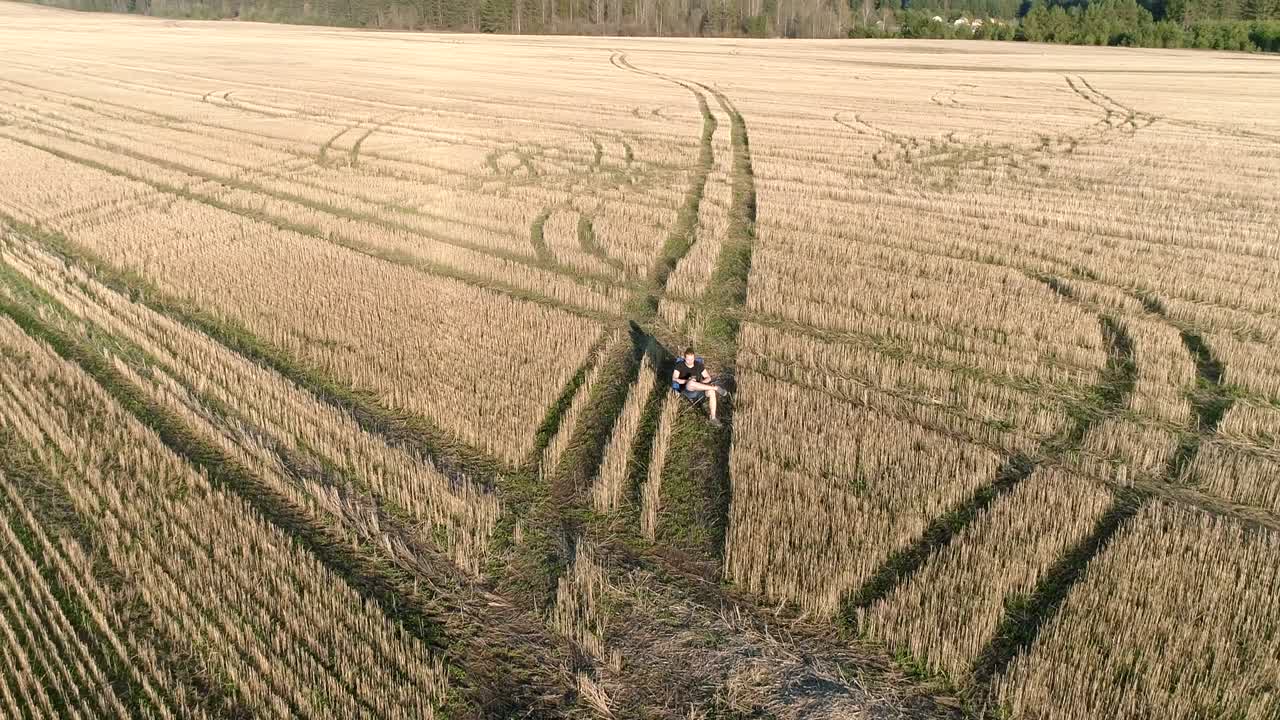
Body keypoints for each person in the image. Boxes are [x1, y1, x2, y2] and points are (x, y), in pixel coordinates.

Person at [672, 347, 729, 426]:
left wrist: (701, 382)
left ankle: (713, 418)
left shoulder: (698, 365)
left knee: (711, 392)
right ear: (684, 358)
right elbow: (674, 378)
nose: (690, 361)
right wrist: (687, 381)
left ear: (694, 357)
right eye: (688, 359)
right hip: (688, 390)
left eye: (692, 359)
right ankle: (715, 387)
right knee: (691, 383)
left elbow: (708, 377)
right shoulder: (680, 365)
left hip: (700, 388)